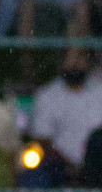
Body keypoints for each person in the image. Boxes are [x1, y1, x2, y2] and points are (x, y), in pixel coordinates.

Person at [28, 47, 102, 181]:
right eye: (71, 57)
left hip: (97, 164)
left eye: (80, 57)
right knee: (33, 175)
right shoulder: (47, 95)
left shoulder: (99, 90)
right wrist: (69, 166)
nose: (75, 63)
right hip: (58, 165)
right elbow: (43, 139)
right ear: (62, 61)